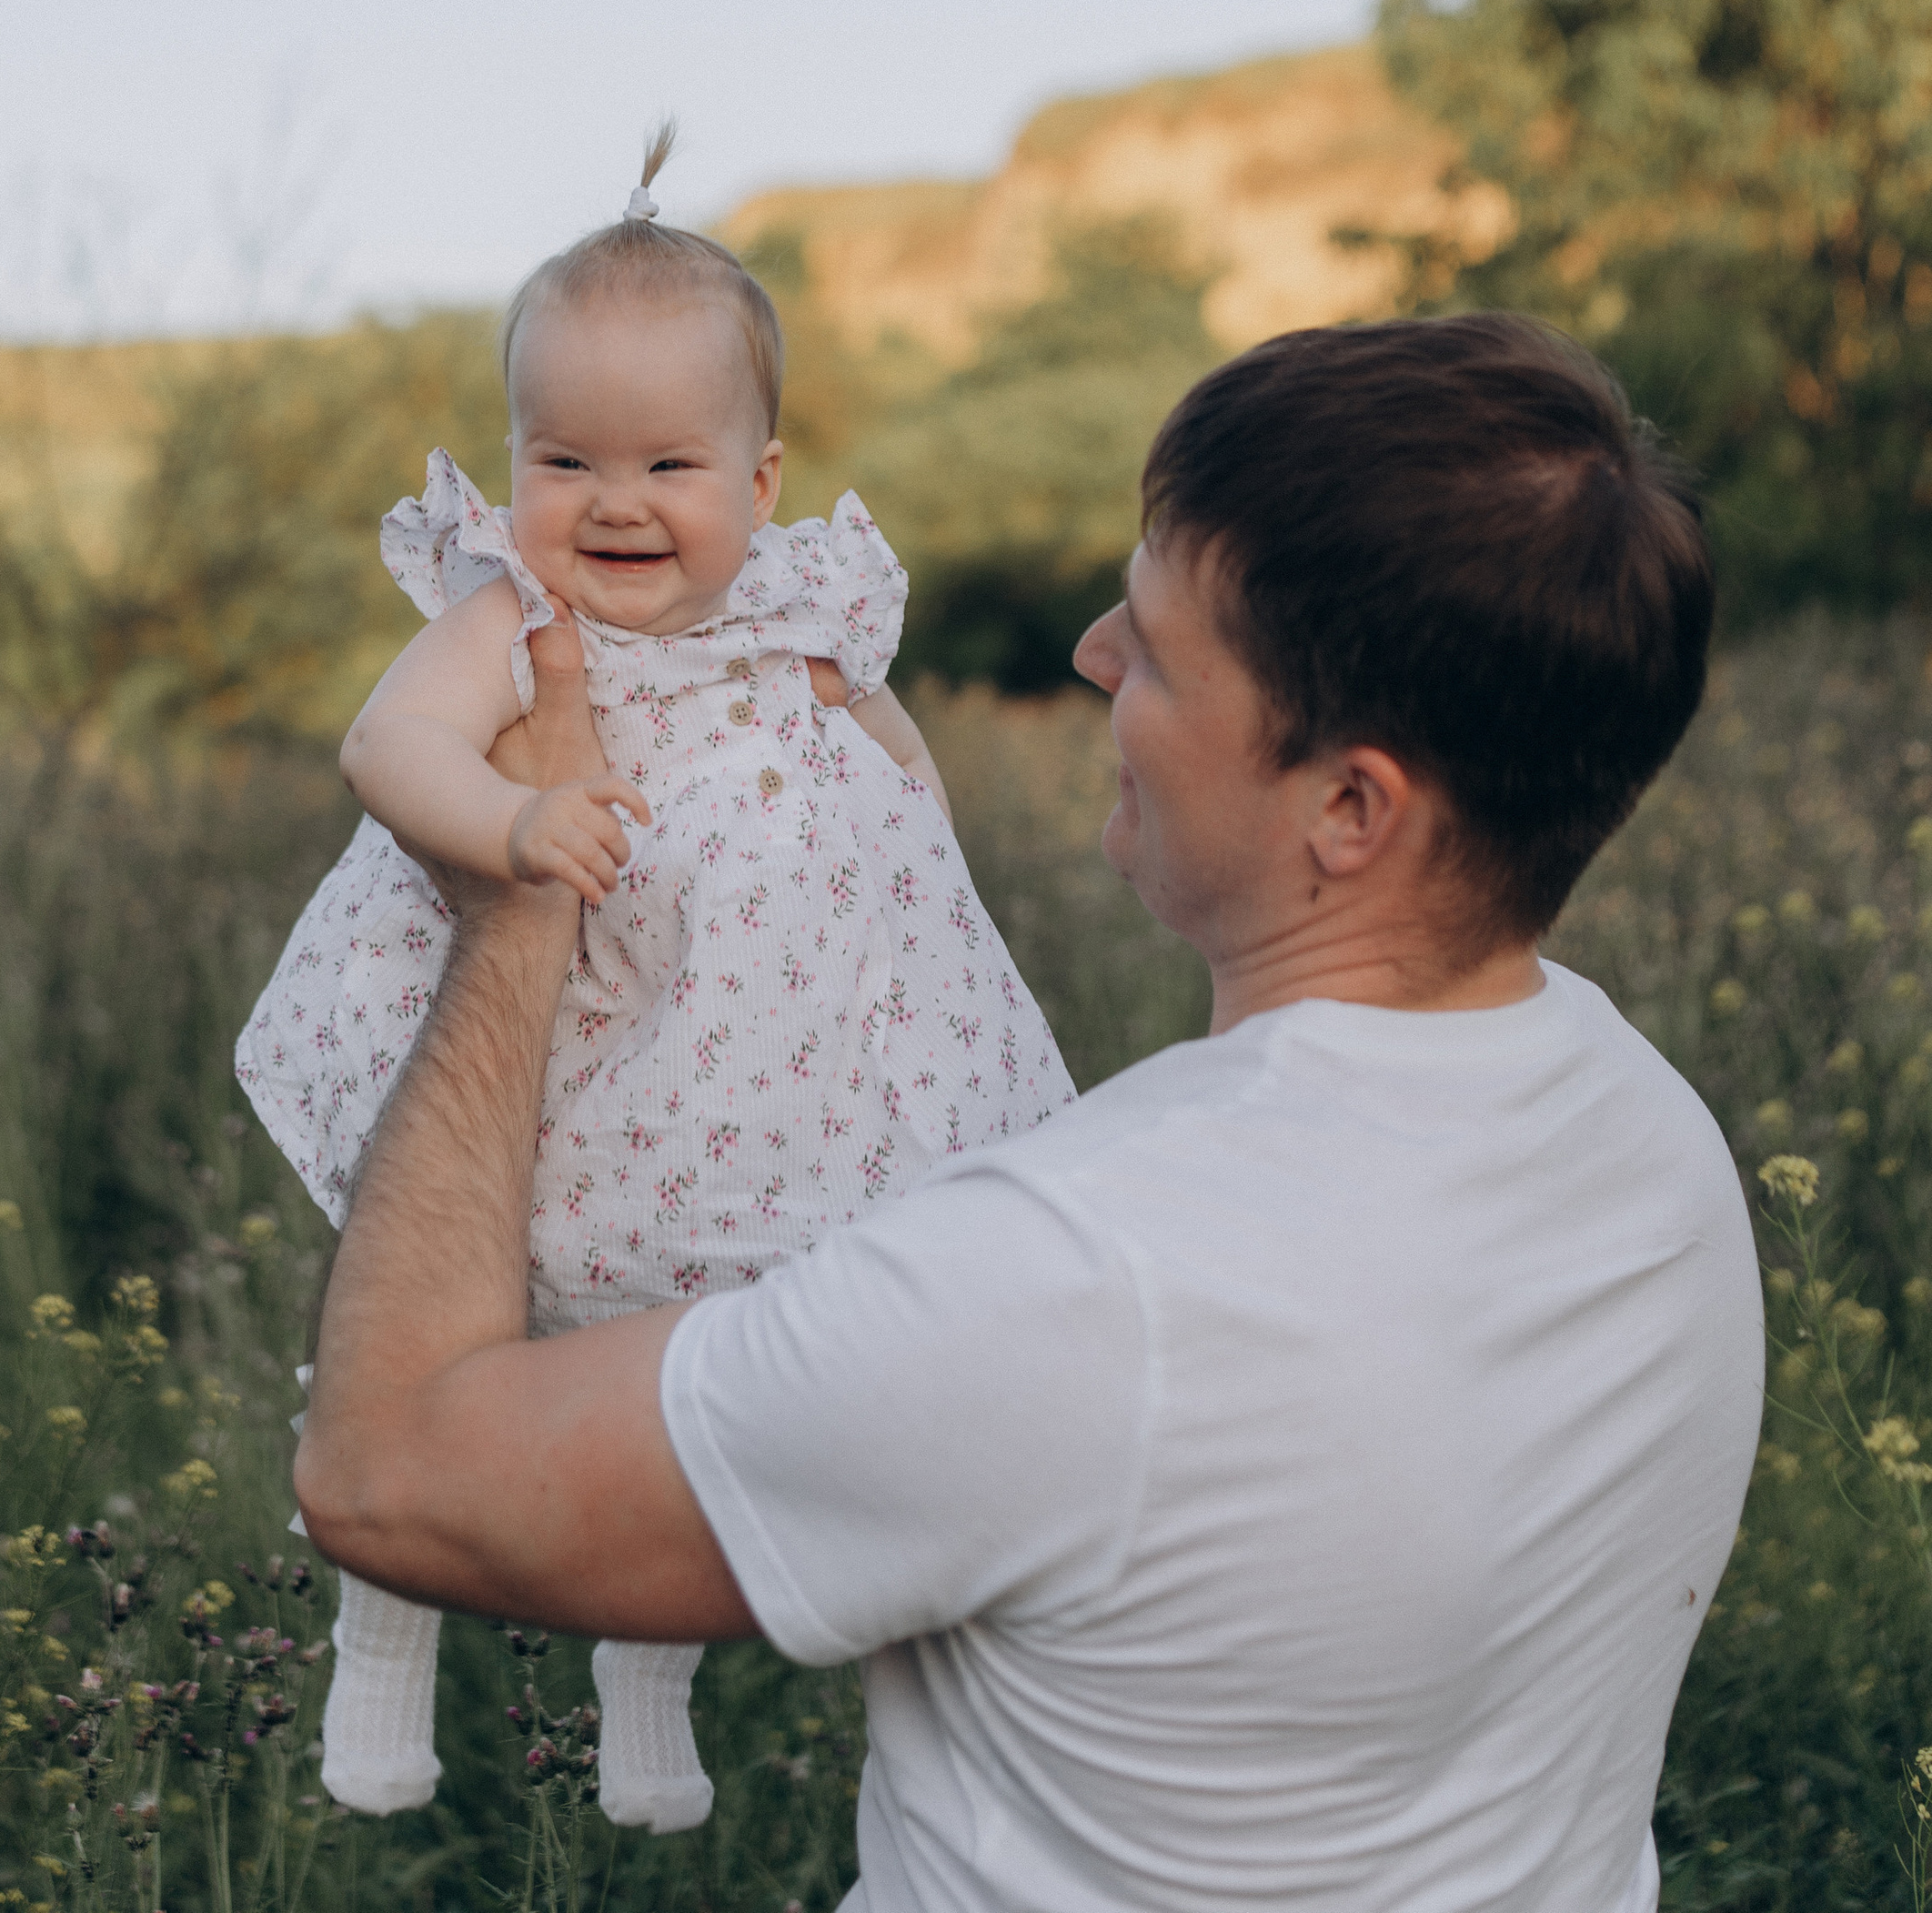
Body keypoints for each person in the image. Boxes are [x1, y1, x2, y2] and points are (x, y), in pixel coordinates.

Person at [293, 308, 1766, 1912]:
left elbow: (382, 1473)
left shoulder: (1066, 1281)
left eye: (1159, 645)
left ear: (1349, 807)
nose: (1090, 659)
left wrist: (517, 920)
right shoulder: (1657, 1138)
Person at [236, 130, 1070, 1831]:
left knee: (679, 1359)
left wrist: (913, 850)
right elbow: (386, 742)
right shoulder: (509, 610)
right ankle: (379, 1657)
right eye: (567, 459)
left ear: (763, 485)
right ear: (512, 466)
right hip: (552, 1041)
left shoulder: (805, 600)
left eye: (669, 463)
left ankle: (645, 1698)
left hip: (735, 1067)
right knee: (435, 1337)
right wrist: (517, 814)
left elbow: (879, 739)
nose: (614, 503)